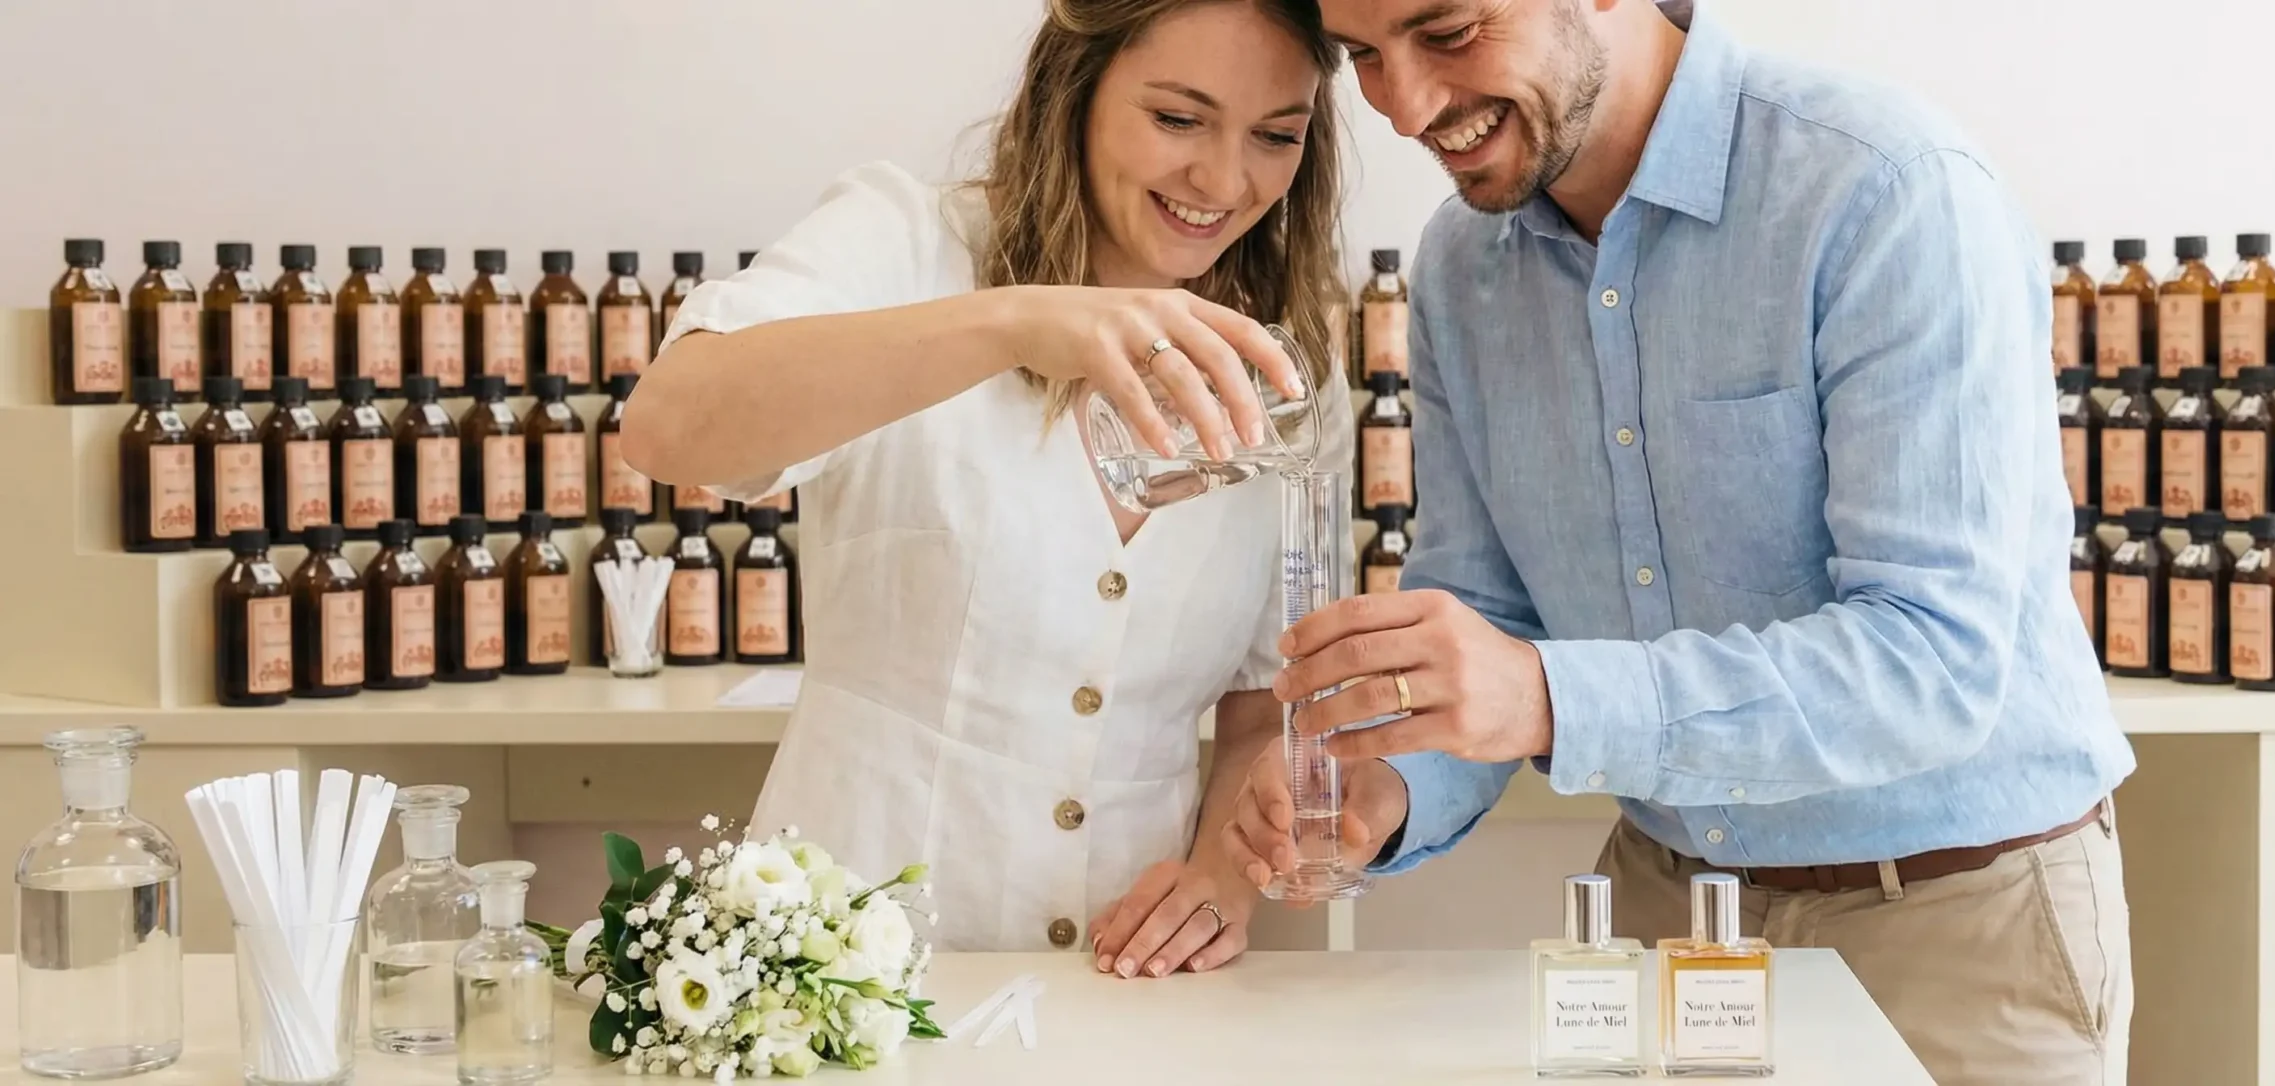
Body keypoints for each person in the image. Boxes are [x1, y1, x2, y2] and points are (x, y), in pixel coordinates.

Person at [1226, 2, 2137, 1083]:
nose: (1405, 108)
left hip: (1953, 929)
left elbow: (1933, 661)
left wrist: (1548, 699)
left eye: (1451, 32)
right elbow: (1486, 606)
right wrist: (1388, 791)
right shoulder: (1461, 269)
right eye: (1365, 59)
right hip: (1663, 915)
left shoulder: (1885, 190)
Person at [620, 0, 1355, 978]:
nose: (1224, 180)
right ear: (1075, 91)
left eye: (1275, 136)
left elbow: (1265, 698)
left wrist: (1221, 871)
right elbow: (670, 424)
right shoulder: (904, 243)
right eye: (1178, 119)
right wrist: (1010, 322)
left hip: (1127, 991)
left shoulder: (1282, 366)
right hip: (842, 973)